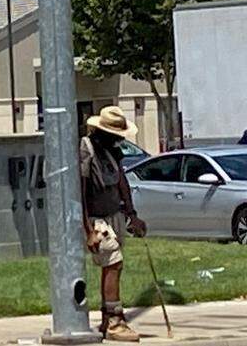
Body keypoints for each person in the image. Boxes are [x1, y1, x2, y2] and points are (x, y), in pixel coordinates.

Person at [79, 105, 147, 342]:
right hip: (96, 219)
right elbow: (82, 191)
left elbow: (121, 182)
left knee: (112, 266)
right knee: (113, 263)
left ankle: (108, 318)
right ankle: (115, 320)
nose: (120, 138)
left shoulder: (112, 151)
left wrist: (132, 214)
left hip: (114, 215)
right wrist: (88, 230)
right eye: (116, 134)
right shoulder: (86, 150)